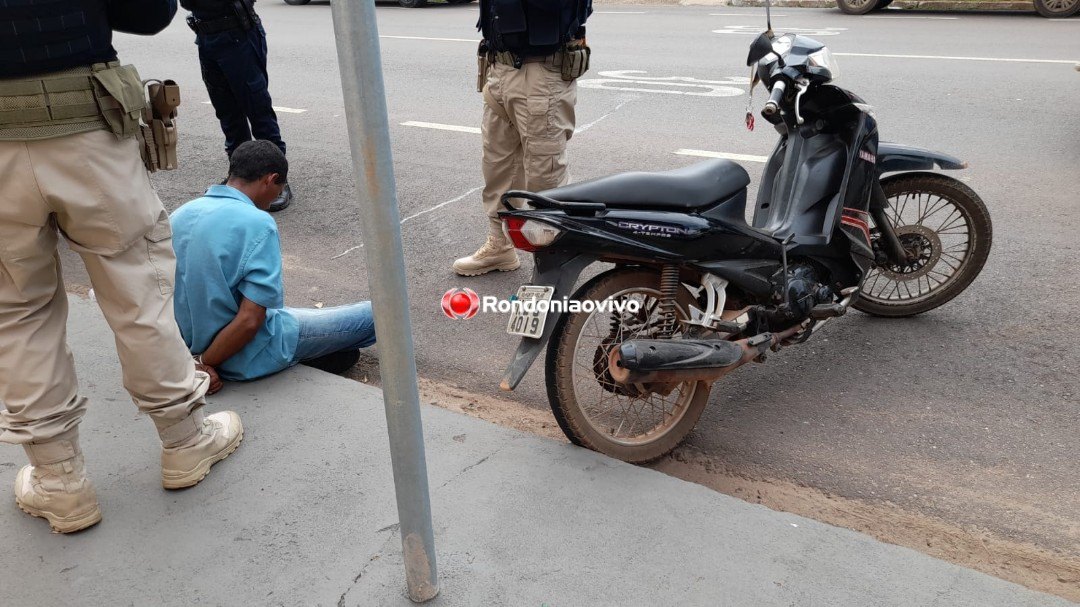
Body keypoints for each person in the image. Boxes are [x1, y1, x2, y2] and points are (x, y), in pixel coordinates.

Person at [0, 0, 243, 534]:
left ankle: (60, 482)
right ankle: (184, 442)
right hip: (85, 127)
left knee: (16, 311)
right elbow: (149, 10)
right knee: (137, 290)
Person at [171, 141, 376, 389]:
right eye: (279, 191)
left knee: (337, 344)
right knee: (376, 314)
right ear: (271, 179)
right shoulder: (258, 222)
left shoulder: (180, 214)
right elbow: (249, 321)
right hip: (246, 353)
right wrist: (202, 362)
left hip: (186, 342)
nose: (275, 199)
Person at [453, 0, 593, 276]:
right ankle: (499, 246)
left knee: (544, 174)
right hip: (499, 67)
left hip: (542, 72)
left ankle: (553, 260)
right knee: (497, 164)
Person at [180, 0, 294, 212]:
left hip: (238, 34)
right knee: (227, 113)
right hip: (206, 37)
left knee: (257, 109)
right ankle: (242, 179)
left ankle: (277, 181)